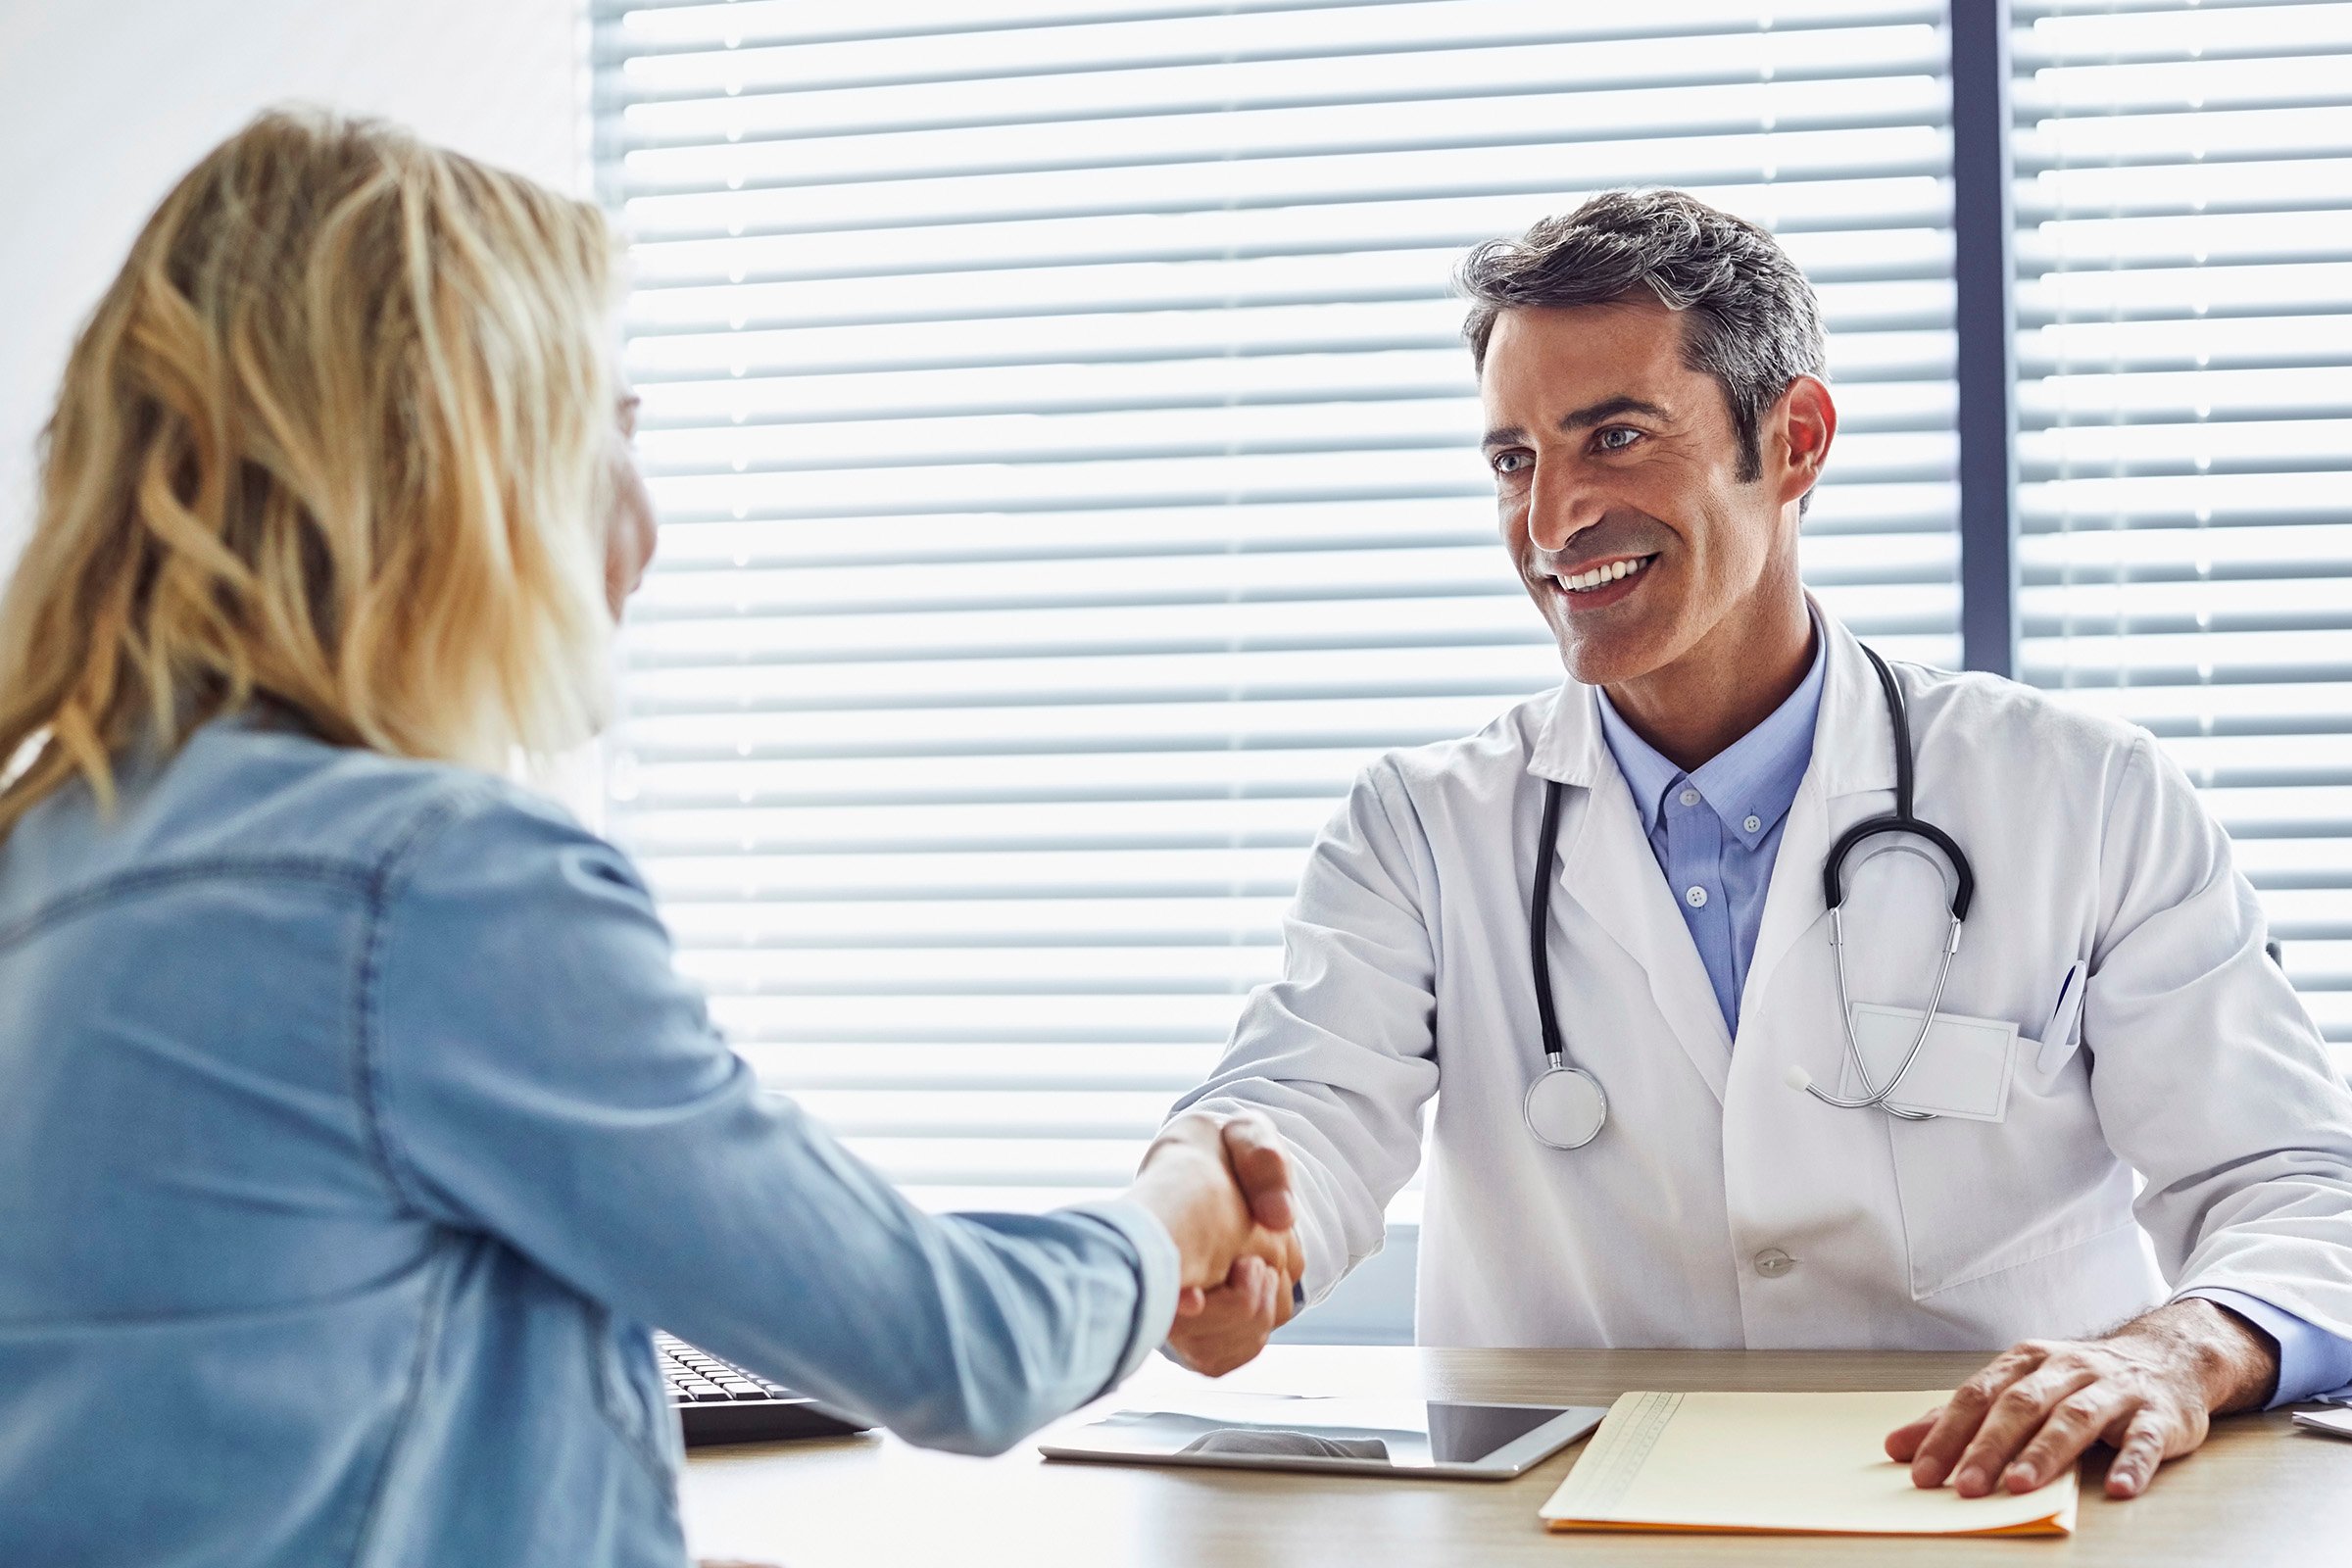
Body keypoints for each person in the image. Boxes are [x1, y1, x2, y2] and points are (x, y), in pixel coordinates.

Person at [0, 110, 1299, 1568]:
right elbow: (954, 1346)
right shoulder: (424, 883)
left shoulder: (47, 861)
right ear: (462, 464)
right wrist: (1179, 1208)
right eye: (609, 432)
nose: (646, 522)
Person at [1165, 189, 2352, 1502]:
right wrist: (1216, 1234)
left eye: (1613, 438)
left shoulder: (2088, 794)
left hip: (1987, 1509)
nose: (1553, 521)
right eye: (1513, 459)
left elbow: (2294, 1186)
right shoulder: (1420, 826)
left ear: (1795, 442)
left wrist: (2187, 1346)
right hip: (1570, 1521)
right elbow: (1300, 1112)